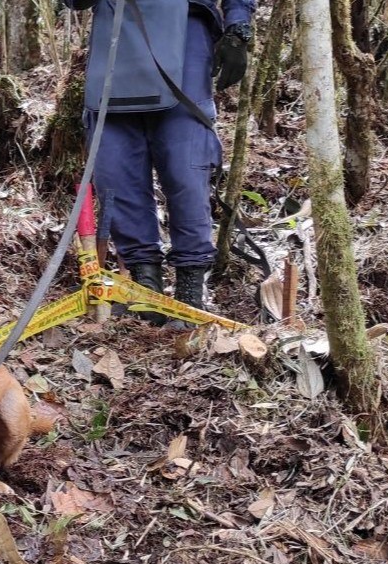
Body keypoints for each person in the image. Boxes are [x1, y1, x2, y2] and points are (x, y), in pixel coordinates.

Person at [65, 0, 255, 325]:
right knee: (115, 167)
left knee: (185, 164)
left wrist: (238, 26)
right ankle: (145, 288)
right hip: (116, 32)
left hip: (185, 29)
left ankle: (190, 294)